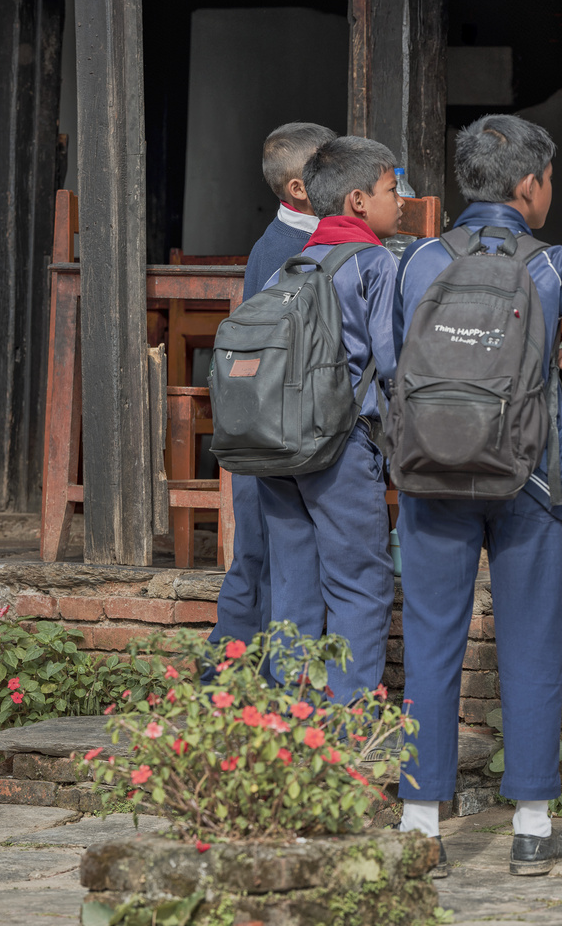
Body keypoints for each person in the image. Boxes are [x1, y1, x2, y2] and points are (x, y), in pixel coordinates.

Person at [393, 114, 562, 876]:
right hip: (527, 477)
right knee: (530, 643)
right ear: (530, 187)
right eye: (547, 182)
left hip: (430, 474)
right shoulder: (552, 263)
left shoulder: (415, 261)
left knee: (432, 642)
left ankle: (417, 829)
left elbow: (385, 355)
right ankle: (531, 826)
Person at [255, 136, 400, 699]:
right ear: (359, 201)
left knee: (293, 586)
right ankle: (346, 724)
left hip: (275, 448)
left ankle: (288, 721)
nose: (402, 199)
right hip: (339, 448)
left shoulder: (290, 265)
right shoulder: (373, 262)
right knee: (359, 583)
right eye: (393, 189)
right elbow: (392, 364)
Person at [208, 123, 335, 666]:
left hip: (260, 422)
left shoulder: (278, 241)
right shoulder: (302, 247)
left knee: (259, 557)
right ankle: (245, 686)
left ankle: (232, 686)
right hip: (276, 424)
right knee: (268, 557)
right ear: (299, 189)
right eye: (330, 169)